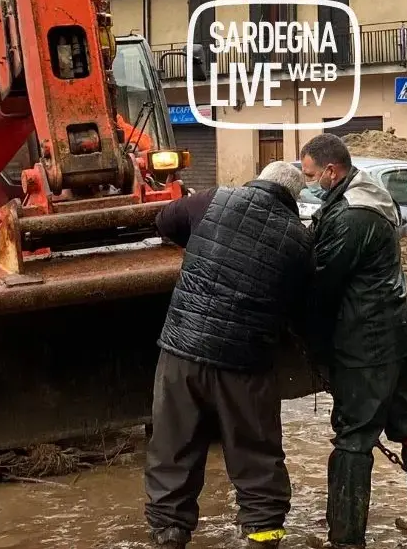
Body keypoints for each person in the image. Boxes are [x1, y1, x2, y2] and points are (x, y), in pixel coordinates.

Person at [144, 162, 314, 548]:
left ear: (259, 180)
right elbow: (299, 306)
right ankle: (263, 530)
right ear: (293, 198)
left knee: (174, 442)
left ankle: (170, 531)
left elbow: (164, 220)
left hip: (182, 353)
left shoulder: (212, 200)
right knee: (254, 446)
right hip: (245, 364)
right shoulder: (300, 241)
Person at [299, 134, 407, 546]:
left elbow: (323, 284)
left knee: (355, 433)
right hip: (398, 332)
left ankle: (345, 535)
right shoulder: (370, 196)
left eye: (311, 175)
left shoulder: (352, 216)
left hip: (366, 339)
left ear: (332, 171)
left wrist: (314, 343)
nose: (308, 182)